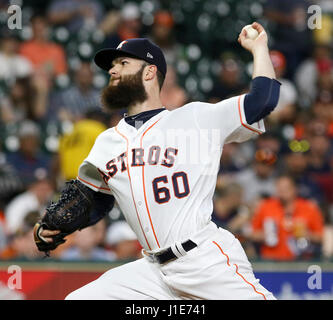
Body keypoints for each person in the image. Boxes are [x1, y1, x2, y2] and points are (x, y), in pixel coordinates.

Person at [35, 22, 280, 300]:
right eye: (111, 66)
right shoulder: (107, 142)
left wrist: (259, 48)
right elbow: (93, 201)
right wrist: (55, 225)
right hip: (153, 272)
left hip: (204, 259)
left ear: (150, 71)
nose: (112, 70)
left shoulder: (195, 118)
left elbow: (262, 101)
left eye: (123, 63)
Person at [251, 175, 324, 261]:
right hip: (271, 259)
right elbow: (253, 234)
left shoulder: (309, 208)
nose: (282, 191)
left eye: (286, 188)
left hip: (301, 259)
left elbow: (320, 237)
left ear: (295, 189)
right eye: (279, 187)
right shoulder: (266, 206)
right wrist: (266, 235)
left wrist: (306, 234)